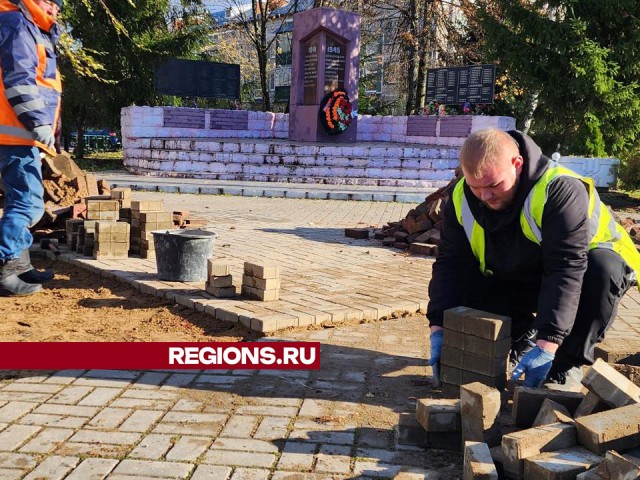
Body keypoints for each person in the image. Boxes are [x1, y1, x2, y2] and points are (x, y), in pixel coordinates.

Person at [427, 128, 640, 391]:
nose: (485, 197)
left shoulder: (559, 189)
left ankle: (565, 364)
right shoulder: (461, 197)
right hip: (520, 272)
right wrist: (438, 326)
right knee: (469, 274)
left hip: (579, 275)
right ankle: (520, 335)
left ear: (517, 164)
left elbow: (566, 267)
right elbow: (450, 264)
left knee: (603, 269)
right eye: (475, 187)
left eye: (494, 185)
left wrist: (548, 343)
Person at [0, 0, 62, 296]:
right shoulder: (17, 24)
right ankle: (6, 266)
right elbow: (19, 79)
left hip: (18, 133)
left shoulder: (25, 24)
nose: (56, 9)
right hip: (13, 133)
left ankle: (19, 264)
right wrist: (37, 122)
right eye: (52, 2)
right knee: (28, 202)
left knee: (22, 199)